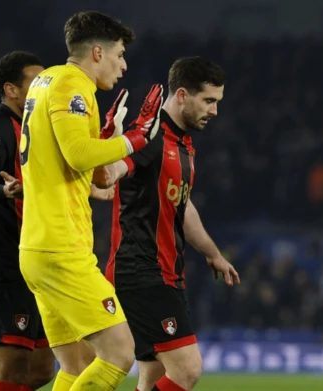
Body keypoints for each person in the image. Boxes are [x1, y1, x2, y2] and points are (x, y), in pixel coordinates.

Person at [17, 11, 163, 391]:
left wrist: (100, 150)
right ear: (97, 52)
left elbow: (69, 163)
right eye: (119, 55)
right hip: (61, 247)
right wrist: (136, 139)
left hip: (37, 247)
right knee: (119, 353)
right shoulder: (72, 85)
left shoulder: (45, 81)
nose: (124, 64)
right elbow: (79, 154)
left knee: (76, 363)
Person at [97, 56, 240, 391]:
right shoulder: (148, 136)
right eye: (208, 101)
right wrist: (108, 148)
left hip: (166, 271)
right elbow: (107, 176)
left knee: (153, 379)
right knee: (187, 369)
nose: (214, 111)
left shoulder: (183, 144)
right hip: (141, 270)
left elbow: (183, 206)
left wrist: (212, 253)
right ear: (181, 96)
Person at [0, 51, 55, 391]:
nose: (44, 90)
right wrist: (5, 191)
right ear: (12, 90)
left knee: (42, 370)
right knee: (13, 370)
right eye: (36, 83)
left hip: (34, 263)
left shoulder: (35, 128)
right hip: (2, 264)